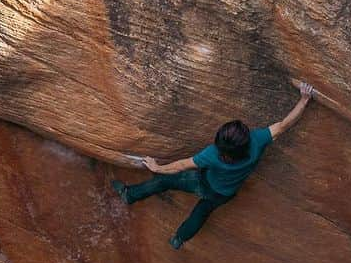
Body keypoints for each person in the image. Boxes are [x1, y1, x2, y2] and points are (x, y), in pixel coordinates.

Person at [112, 82, 316, 249]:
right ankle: (179, 239)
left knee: (164, 181)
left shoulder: (213, 154)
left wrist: (157, 168)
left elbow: (182, 165)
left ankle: (130, 194)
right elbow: (284, 125)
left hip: (203, 182)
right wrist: (304, 99)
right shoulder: (257, 141)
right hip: (225, 193)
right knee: (201, 213)